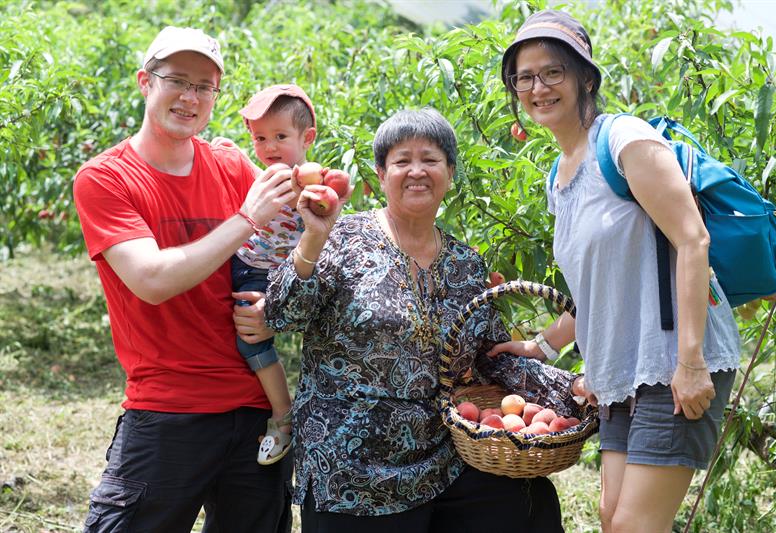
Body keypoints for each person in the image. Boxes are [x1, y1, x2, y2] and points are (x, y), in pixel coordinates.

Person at [260, 107, 577, 532]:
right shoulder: (342, 238)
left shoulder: (466, 264)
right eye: (401, 161)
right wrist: (313, 238)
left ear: (449, 172)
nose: (416, 171)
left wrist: (567, 390)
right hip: (352, 465)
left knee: (529, 505)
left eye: (430, 159)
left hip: (445, 457)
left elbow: (491, 358)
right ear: (380, 172)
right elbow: (281, 313)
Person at [492, 10, 740, 533]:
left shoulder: (624, 138)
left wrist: (691, 363)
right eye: (525, 77)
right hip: (619, 374)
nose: (539, 87)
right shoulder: (559, 177)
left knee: (633, 527)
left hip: (672, 362)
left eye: (553, 71)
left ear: (585, 76)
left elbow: (693, 238)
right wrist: (541, 345)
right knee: (612, 519)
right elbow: (597, 290)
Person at [73, 26, 294, 532]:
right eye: (176, 80)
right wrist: (245, 218)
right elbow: (151, 280)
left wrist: (271, 308)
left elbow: (276, 257)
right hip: (168, 410)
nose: (190, 97)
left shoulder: (232, 165)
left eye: (204, 86)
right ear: (144, 82)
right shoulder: (107, 179)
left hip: (254, 408)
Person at [230, 84, 319, 465]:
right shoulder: (266, 173)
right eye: (259, 138)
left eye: (280, 137)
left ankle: (283, 416)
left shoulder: (308, 183)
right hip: (241, 261)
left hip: (269, 274)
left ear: (307, 138)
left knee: (251, 340)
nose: (268, 147)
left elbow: (326, 221)